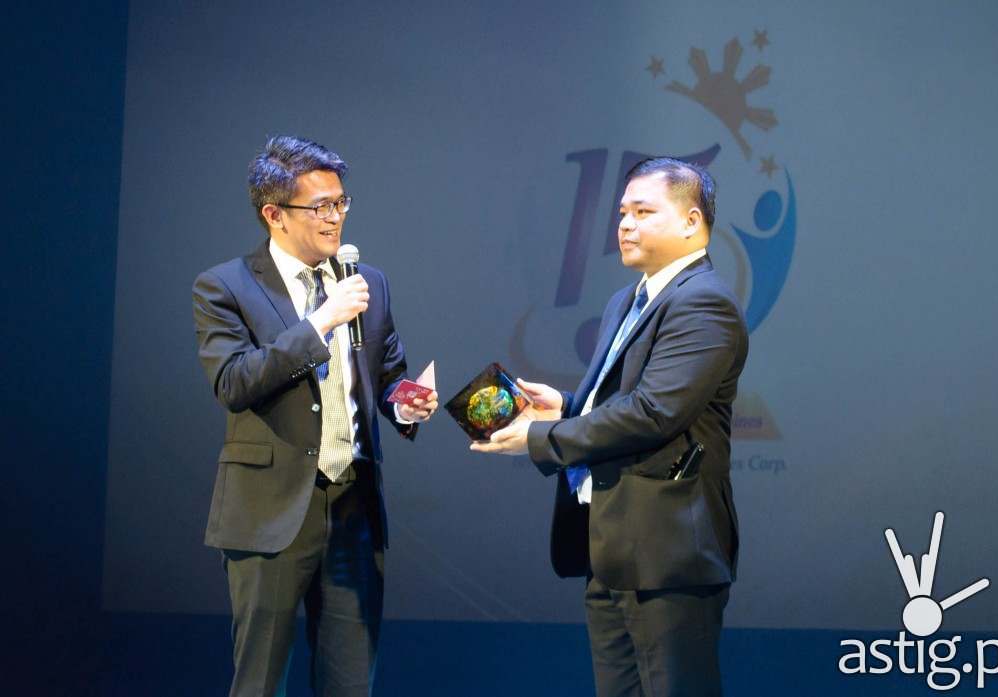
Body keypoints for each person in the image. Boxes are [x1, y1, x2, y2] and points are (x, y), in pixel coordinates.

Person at [472, 158, 748, 697]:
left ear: (692, 221)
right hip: (612, 547)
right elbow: (622, 403)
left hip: (667, 555)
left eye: (643, 212)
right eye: (622, 212)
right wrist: (567, 407)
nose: (624, 224)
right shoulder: (629, 298)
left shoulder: (703, 301)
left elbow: (652, 414)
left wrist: (536, 440)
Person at [192, 135, 438, 697]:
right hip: (271, 510)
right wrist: (319, 323)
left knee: (350, 683)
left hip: (353, 506)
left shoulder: (366, 280)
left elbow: (384, 376)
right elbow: (233, 382)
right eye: (320, 206)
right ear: (273, 215)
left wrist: (406, 402)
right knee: (260, 682)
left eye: (341, 202)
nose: (335, 218)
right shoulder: (225, 285)